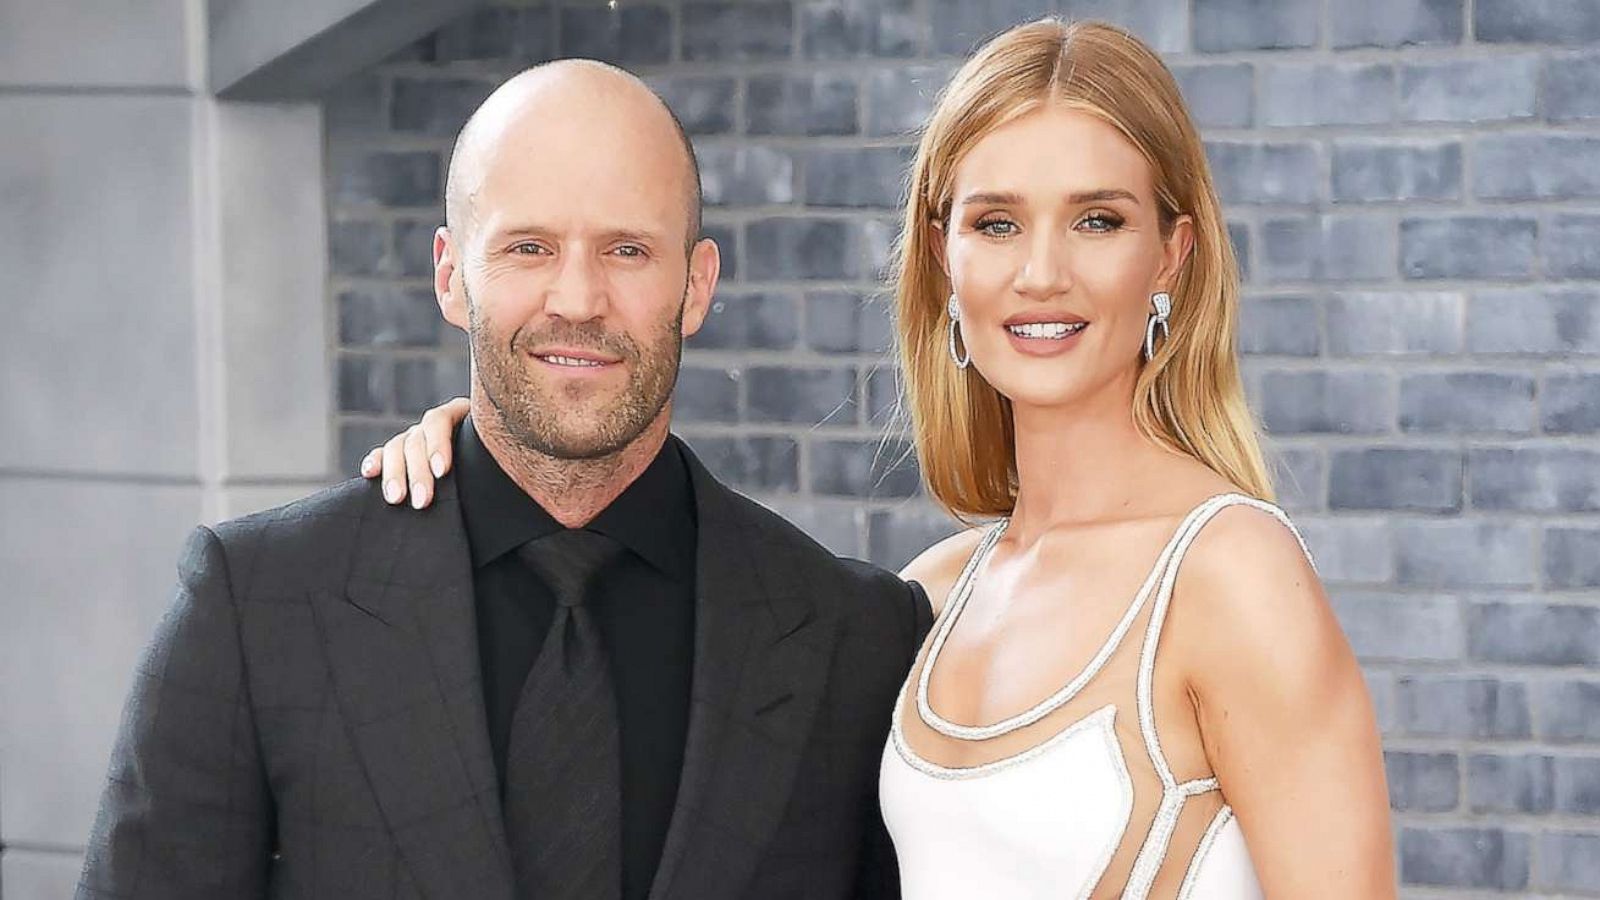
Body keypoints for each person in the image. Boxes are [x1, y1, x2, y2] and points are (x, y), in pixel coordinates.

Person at [374, 19, 1396, 898]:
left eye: (1098, 220)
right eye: (996, 222)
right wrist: (488, 454)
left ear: (1168, 255)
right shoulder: (927, 602)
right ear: (944, 255)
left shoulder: (1227, 575)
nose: (1040, 273)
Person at [79, 60, 930, 900]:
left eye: (627, 249)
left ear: (697, 284)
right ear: (451, 274)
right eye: (529, 247)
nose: (579, 298)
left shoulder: (851, 637)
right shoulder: (257, 605)